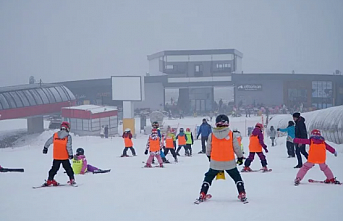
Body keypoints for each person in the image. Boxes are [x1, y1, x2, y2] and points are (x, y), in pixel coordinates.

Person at [196, 114, 247, 203]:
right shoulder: (231, 134)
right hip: (229, 162)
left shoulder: (212, 135)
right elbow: (237, 147)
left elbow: (208, 148)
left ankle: (202, 193)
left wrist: (209, 157)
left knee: (208, 177)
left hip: (215, 162)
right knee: (236, 177)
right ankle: (242, 192)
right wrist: (240, 157)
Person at [42, 121, 76, 186]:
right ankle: (72, 179)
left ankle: (50, 180)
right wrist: (70, 154)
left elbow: (49, 141)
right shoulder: (68, 137)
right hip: (64, 157)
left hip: (56, 156)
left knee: (54, 169)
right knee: (68, 168)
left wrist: (45, 148)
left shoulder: (55, 135)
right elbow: (68, 146)